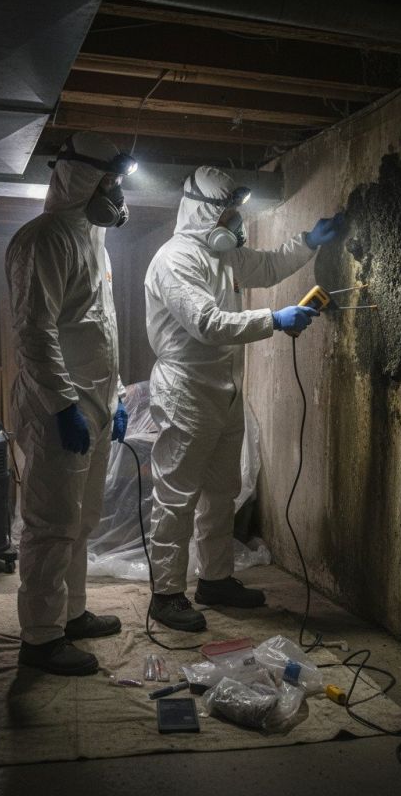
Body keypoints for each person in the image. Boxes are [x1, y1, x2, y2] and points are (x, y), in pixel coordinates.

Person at [144, 165, 343, 631]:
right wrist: (274, 320)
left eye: (237, 210)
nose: (236, 220)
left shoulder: (225, 258)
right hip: (185, 390)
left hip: (224, 389)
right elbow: (208, 323)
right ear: (202, 213)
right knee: (176, 496)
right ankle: (166, 594)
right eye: (228, 211)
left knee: (221, 492)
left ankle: (215, 579)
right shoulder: (175, 260)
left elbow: (270, 266)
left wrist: (309, 242)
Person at [6, 132, 135, 675]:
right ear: (82, 179)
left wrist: (119, 392)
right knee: (51, 523)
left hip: (96, 404)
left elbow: (98, 329)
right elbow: (35, 333)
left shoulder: (93, 241)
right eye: (109, 181)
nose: (116, 193)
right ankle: (40, 638)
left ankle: (72, 613)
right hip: (60, 408)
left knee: (82, 521)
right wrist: (63, 404)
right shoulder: (44, 239)